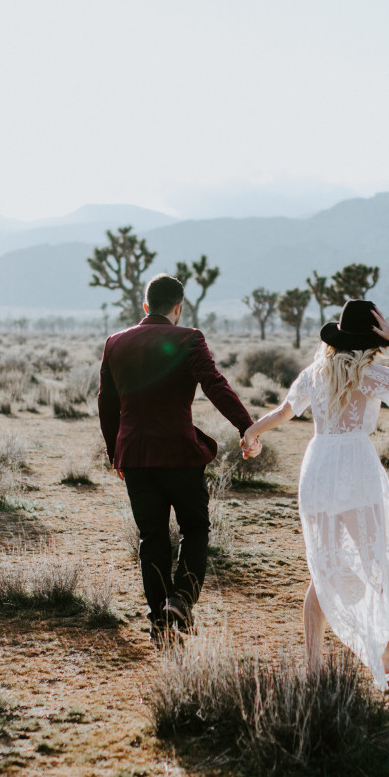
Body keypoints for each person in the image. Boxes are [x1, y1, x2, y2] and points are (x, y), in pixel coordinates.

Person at [240, 299, 389, 690]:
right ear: (371, 340)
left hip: (318, 468)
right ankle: (387, 653)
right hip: (354, 468)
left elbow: (282, 412)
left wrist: (251, 433)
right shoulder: (370, 374)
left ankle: (314, 664)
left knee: (323, 569)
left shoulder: (315, 373)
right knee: (374, 561)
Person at [98, 273, 255, 645]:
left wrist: (115, 452)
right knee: (195, 528)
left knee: (152, 538)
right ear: (179, 307)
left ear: (146, 305)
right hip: (180, 453)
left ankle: (159, 624)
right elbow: (215, 384)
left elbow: (107, 404)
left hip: (135, 455)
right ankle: (181, 602)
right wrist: (246, 426)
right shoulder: (189, 338)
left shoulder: (115, 342)